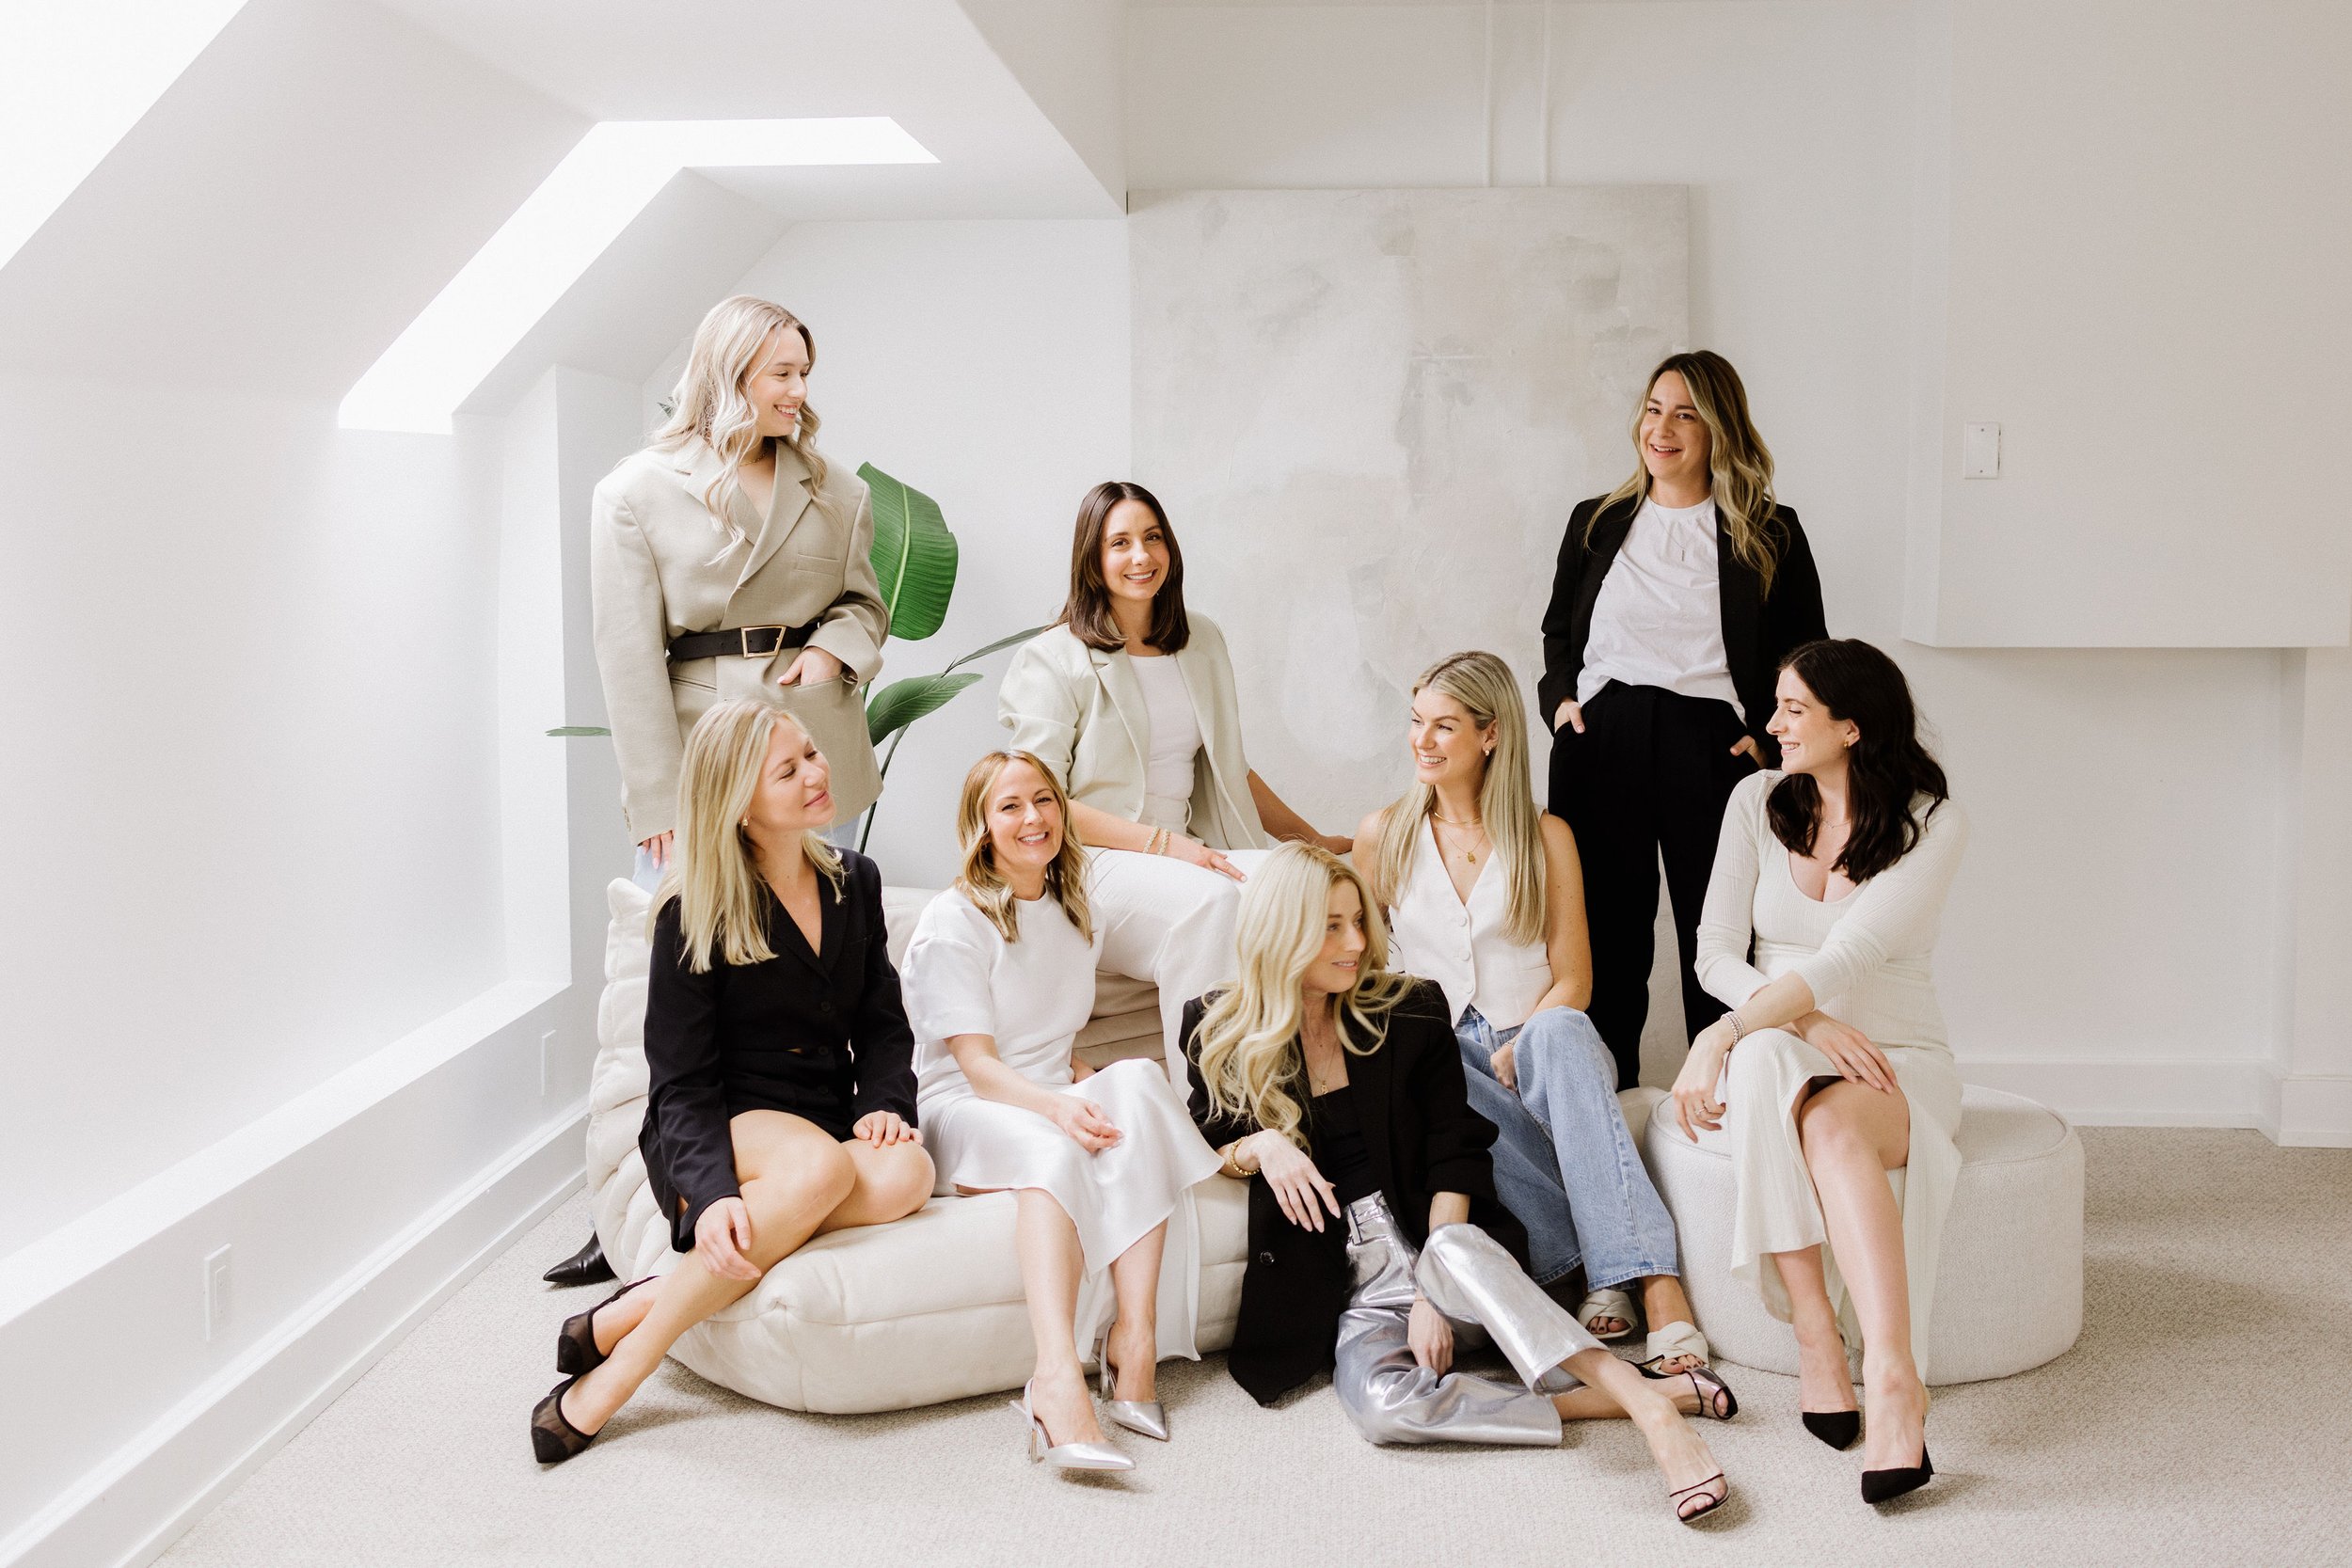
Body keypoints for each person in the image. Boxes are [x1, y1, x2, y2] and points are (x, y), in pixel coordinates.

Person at [1184, 845, 1736, 1525]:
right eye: (1332, 925)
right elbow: (1204, 1130)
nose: (1357, 941)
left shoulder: (1409, 1009)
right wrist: (1262, 1146)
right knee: (1386, 1409)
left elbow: (1456, 1152)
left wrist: (1431, 1292)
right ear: (1281, 928)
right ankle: (1629, 1396)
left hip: (1445, 1249)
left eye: (1360, 920)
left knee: (1452, 1251)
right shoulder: (1216, 1025)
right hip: (1350, 1285)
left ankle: (1650, 1408)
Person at [552, 294, 891, 1289]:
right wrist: (658, 804)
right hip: (698, 759)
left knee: (798, 960)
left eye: (802, 373)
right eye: (780, 372)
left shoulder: (832, 487)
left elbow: (864, 604)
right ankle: (627, 1199)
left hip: (805, 744)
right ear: (728, 373)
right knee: (655, 986)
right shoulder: (635, 491)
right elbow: (626, 657)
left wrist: (832, 656)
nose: (798, 392)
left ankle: (801, 1159)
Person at [530, 703, 933, 1464]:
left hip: (821, 1119)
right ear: (740, 803)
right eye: (789, 769)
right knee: (821, 1167)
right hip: (722, 1120)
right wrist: (712, 1194)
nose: (818, 773)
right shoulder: (691, 911)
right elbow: (680, 1083)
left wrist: (883, 1103)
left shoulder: (857, 880)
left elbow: (883, 1022)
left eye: (812, 754)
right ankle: (625, 1369)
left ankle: (644, 1299)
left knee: (909, 1169)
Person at [1358, 651, 1717, 1370]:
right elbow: (1363, 970)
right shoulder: (1384, 835)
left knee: (1559, 1027)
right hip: (1442, 1051)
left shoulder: (1546, 836)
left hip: (1543, 1044)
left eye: (1445, 726)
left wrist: (1520, 1045)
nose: (1422, 740)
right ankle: (1604, 1268)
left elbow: (1575, 978)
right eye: (1416, 722)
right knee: (1438, 1079)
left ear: (1491, 734)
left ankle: (1656, 1283)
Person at [1674, 639, 1967, 1505]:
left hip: (1896, 1058)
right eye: (1776, 705)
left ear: (1852, 724)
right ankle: (1815, 1333)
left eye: (1793, 709)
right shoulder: (1753, 800)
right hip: (1788, 1036)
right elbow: (1716, 950)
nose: (1772, 725)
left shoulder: (1930, 821)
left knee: (1824, 1113)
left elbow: (1858, 951)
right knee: (1769, 1054)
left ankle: (1890, 1374)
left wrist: (1717, 1037)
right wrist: (1793, 1020)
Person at [899, 751, 1222, 1474]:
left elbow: (1054, 1041)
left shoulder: (1080, 909)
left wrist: (1090, 1087)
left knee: (1138, 1081)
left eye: (1043, 799)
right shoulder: (953, 920)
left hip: (1041, 1093)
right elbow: (979, 1064)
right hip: (964, 1109)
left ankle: (1134, 1344)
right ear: (980, 826)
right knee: (1056, 1151)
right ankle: (1056, 1379)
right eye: (1010, 806)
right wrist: (1059, 1109)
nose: (1033, 818)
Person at [1538, 350, 1826, 1090]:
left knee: (1719, 933)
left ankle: (1722, 1103)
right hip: (1601, 741)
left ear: (1719, 428)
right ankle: (1606, 1109)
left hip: (1712, 747)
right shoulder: (1595, 522)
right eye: (1654, 408)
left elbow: (1810, 653)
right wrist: (1562, 700)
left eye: (1686, 413)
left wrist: (1766, 739)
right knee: (1606, 941)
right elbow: (1558, 633)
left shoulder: (1772, 532)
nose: (1661, 428)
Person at [1000, 481, 1350, 1077]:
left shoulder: (1202, 640)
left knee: (1312, 888)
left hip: (1192, 850)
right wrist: (1171, 848)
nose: (1141, 556)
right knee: (1211, 902)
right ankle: (1211, 1105)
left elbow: (1229, 766)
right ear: (1093, 558)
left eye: (1153, 537)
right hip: (1097, 860)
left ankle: (1325, 1082)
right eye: (1121, 543)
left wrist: (1310, 840)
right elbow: (1043, 802)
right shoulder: (1051, 658)